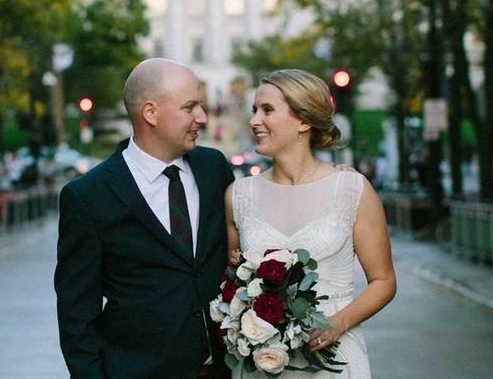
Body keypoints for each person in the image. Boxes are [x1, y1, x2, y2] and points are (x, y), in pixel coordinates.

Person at [55, 58, 235, 379]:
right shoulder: (88, 196)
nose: (203, 118)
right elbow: (76, 311)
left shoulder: (214, 169)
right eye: (190, 107)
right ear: (150, 112)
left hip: (224, 370)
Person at [226, 69, 397, 377]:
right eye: (254, 110)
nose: (254, 121)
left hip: (334, 357)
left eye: (267, 110)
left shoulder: (351, 189)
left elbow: (383, 282)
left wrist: (337, 324)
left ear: (303, 121)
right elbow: (231, 282)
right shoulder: (239, 195)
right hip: (263, 363)